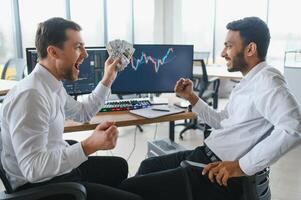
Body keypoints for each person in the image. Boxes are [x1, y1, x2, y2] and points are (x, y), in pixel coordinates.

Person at [130, 17, 301, 200]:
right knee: (148, 167)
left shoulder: (268, 80)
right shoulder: (250, 81)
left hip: (216, 171)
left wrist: (241, 166)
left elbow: (293, 127)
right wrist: (192, 98)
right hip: (205, 155)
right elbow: (221, 122)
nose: (222, 53)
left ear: (250, 49)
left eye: (228, 46)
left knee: (137, 187)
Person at [0, 17, 141, 200]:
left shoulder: (50, 84)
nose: (85, 54)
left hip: (53, 169)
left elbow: (83, 113)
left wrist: (108, 78)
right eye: (77, 47)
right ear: (53, 52)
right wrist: (89, 145)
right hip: (42, 185)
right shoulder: (31, 96)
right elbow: (33, 169)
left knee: (119, 167)